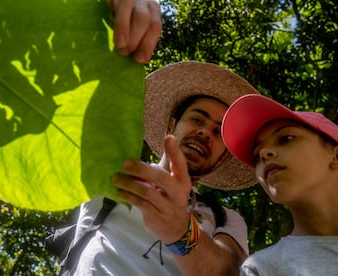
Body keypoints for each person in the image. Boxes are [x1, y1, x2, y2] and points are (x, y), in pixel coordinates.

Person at [72, 61, 259, 275]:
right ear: (171, 125)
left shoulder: (226, 218)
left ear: (223, 156)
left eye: (218, 133)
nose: (205, 133)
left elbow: (230, 272)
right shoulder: (114, 175)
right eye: (197, 119)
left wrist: (182, 232)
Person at [221, 94, 338, 275]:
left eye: (286, 138)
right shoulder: (261, 268)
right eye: (256, 155)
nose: (264, 154)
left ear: (335, 156)